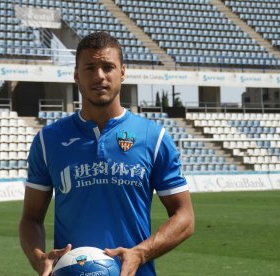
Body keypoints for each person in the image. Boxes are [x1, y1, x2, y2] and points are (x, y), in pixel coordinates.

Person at [19, 31, 195, 276]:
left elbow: (184, 217)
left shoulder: (153, 138)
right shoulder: (48, 141)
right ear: (76, 75)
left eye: (108, 67)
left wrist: (140, 253)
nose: (99, 75)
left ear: (122, 72)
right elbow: (31, 218)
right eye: (89, 68)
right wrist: (39, 258)